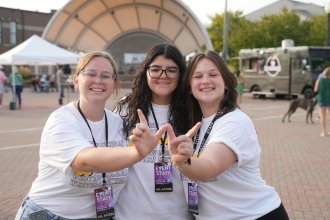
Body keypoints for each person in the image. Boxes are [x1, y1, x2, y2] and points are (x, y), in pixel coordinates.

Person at [15, 51, 167, 220]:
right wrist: (137, 152)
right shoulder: (61, 120)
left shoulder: (119, 123)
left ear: (114, 83)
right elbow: (85, 161)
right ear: (75, 81)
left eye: (106, 75)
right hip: (49, 214)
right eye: (91, 74)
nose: (98, 80)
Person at [165, 50, 289, 219]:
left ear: (226, 83)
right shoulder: (199, 123)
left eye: (213, 74)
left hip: (254, 215)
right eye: (198, 76)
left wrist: (183, 161)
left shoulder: (234, 122)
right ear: (190, 88)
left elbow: (208, 167)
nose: (206, 81)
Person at [114, 43, 193, 219]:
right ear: (145, 71)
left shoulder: (191, 108)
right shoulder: (127, 106)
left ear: (181, 74)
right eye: (155, 69)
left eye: (171, 70)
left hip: (178, 213)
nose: (163, 76)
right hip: (130, 213)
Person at [314, 67, 330, 137]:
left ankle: (324, 132)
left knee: (323, 116)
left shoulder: (319, 80)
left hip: (322, 99)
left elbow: (315, 90)